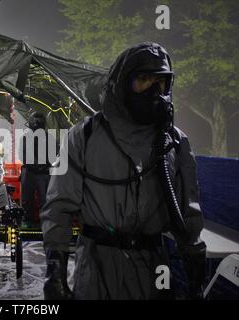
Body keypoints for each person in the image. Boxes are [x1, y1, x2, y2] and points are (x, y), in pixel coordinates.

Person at [41, 42, 206, 300]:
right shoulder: (83, 137)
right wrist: (55, 273)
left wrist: (196, 279)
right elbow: (58, 207)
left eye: (161, 81)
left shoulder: (175, 143)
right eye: (144, 79)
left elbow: (188, 214)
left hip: (153, 273)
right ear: (122, 84)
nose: (155, 89)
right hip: (96, 271)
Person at [21, 112, 53, 228]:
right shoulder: (27, 137)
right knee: (27, 199)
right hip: (32, 172)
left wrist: (42, 166)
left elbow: (53, 154)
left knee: (43, 199)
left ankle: (44, 221)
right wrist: (37, 166)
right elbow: (23, 155)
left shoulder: (48, 137)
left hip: (40, 173)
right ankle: (28, 220)